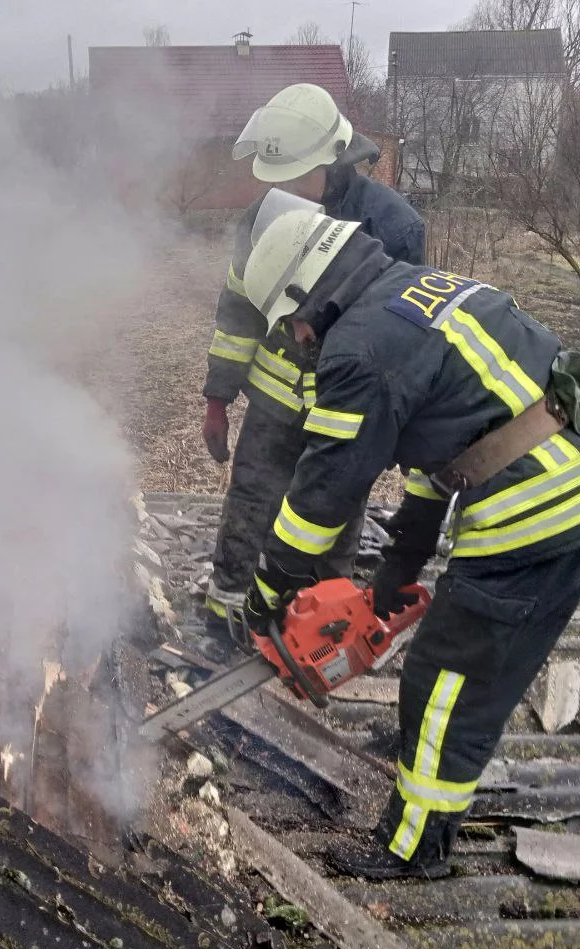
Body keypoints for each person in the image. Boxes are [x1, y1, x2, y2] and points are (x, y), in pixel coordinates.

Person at [235, 198, 580, 880]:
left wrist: (270, 587)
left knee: (445, 677)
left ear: (310, 294)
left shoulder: (358, 349)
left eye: (292, 323)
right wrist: (401, 562)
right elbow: (445, 444)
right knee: (466, 671)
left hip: (538, 508)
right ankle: (426, 748)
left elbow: (324, 492)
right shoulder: (412, 291)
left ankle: (414, 845)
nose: (297, 338)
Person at [202, 83, 426, 633]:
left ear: (334, 159)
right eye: (275, 180)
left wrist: (390, 428)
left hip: (346, 409)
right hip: (273, 402)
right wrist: (217, 397)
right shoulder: (261, 217)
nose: (282, 192)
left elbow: (403, 340)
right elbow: (239, 310)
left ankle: (317, 627)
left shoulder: (394, 227)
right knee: (251, 499)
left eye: (294, 177)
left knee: (334, 513)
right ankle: (226, 609)